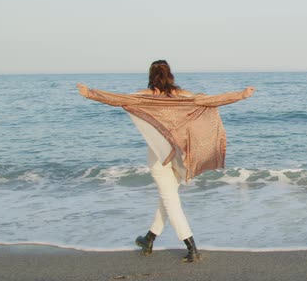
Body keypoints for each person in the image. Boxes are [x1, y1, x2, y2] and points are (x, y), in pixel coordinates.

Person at [77, 60, 255, 262]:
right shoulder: (184, 96)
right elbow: (212, 100)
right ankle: (149, 238)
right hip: (181, 155)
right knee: (167, 197)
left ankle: (192, 248)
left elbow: (116, 99)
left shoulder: (144, 97)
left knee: (170, 200)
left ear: (151, 76)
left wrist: (89, 93)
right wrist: (241, 94)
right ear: (170, 75)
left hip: (159, 155)